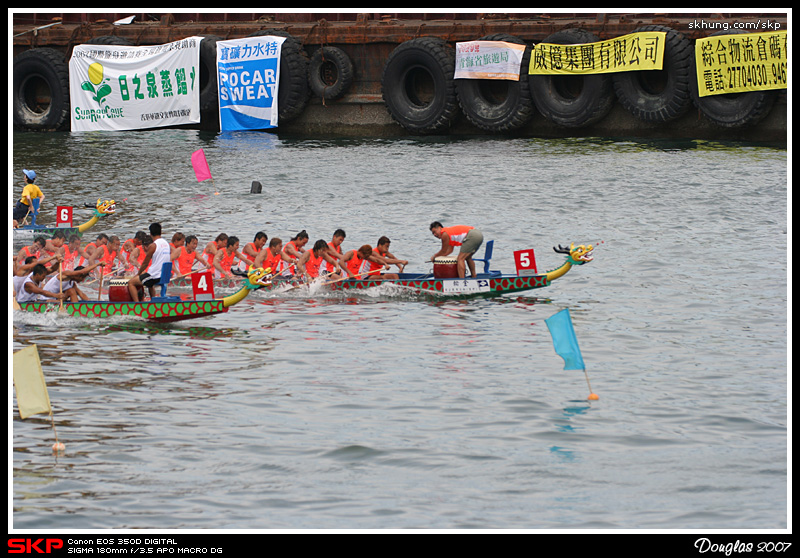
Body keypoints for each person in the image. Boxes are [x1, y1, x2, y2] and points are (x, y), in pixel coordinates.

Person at [127, 223, 171, 301]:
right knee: (149, 284)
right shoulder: (166, 244)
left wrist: (138, 274)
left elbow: (145, 263)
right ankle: (153, 301)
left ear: (150, 233)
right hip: (164, 275)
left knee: (131, 283)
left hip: (154, 276)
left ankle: (137, 306)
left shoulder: (153, 246)